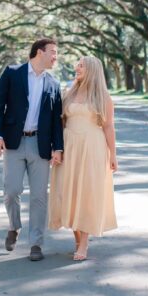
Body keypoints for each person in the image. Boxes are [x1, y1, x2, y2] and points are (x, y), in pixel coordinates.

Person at [0, 38, 64, 261]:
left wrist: (58, 148)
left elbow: (56, 120)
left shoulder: (53, 83)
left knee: (39, 197)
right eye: (52, 52)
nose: (55, 56)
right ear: (39, 52)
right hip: (14, 142)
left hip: (40, 145)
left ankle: (36, 244)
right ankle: (14, 226)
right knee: (11, 191)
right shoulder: (12, 73)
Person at [48, 55, 117, 261]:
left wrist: (113, 154)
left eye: (81, 66)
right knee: (67, 192)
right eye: (77, 65)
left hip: (92, 147)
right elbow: (60, 123)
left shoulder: (102, 97)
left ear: (92, 70)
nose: (77, 68)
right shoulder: (68, 93)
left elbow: (108, 127)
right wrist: (56, 149)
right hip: (69, 146)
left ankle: (84, 243)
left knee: (87, 193)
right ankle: (77, 239)